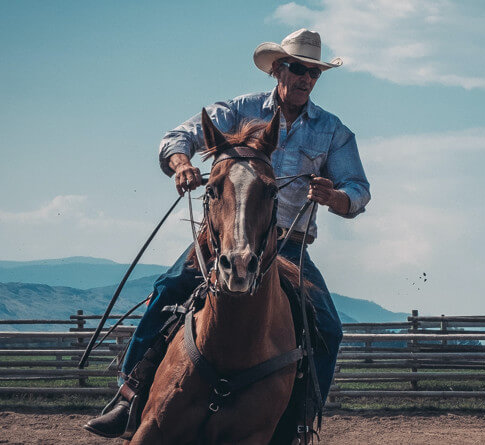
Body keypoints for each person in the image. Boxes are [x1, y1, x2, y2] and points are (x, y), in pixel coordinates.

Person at [84, 28, 370, 439]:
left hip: (286, 244)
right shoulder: (239, 109)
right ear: (278, 69)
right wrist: (182, 163)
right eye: (298, 68)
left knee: (328, 327)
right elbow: (176, 138)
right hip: (219, 236)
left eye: (314, 72)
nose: (306, 78)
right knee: (169, 288)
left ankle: (302, 422)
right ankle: (129, 397)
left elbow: (358, 189)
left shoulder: (333, 131)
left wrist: (335, 197)